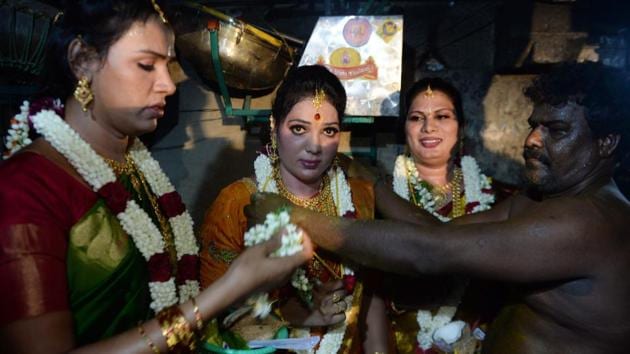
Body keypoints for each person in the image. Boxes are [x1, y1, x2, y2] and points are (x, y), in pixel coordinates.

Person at [247, 62, 630, 353]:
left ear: (606, 143)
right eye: (534, 125)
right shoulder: (537, 202)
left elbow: (429, 253)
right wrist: (374, 186)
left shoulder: (590, 221)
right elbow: (439, 234)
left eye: (556, 131)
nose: (531, 140)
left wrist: (292, 214)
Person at [0, 1, 311, 353]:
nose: (168, 85)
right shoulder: (24, 190)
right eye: (146, 65)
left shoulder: (133, 164)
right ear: (82, 61)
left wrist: (248, 281)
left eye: (169, 65)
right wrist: (231, 287)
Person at [199, 65, 377, 353]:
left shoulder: (358, 196)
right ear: (273, 125)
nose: (314, 146)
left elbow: (372, 300)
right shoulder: (238, 202)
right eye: (298, 129)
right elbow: (213, 312)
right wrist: (289, 312)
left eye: (329, 131)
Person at [375, 77, 503, 354]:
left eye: (442, 116)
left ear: (462, 127)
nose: (428, 127)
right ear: (405, 130)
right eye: (416, 117)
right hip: (392, 339)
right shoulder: (378, 196)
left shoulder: (496, 199)